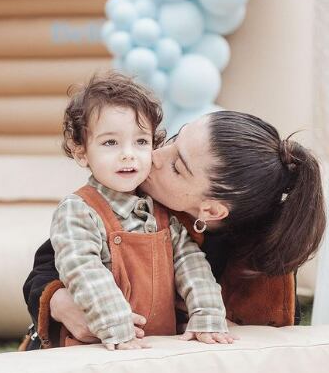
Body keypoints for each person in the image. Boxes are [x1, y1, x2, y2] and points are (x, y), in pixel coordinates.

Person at [22, 83, 326, 351]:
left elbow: (254, 350)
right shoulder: (122, 196)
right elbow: (49, 267)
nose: (153, 155)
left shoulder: (264, 265)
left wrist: (212, 319)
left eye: (177, 166)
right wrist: (62, 305)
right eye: (173, 139)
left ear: (210, 210)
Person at [48, 73, 234, 351]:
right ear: (81, 153)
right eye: (110, 143)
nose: (128, 154)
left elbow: (190, 263)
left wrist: (207, 313)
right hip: (99, 344)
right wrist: (114, 322)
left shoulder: (163, 212)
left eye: (141, 142)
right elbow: (82, 268)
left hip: (157, 347)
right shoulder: (78, 210)